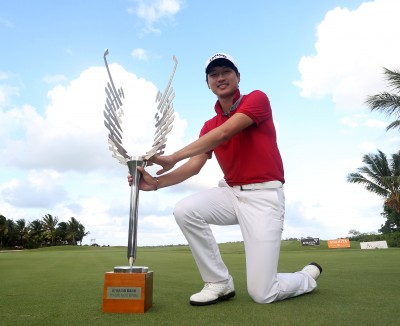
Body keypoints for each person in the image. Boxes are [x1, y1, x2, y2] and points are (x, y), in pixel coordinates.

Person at [129, 53, 322, 305]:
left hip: (264, 197)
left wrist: (173, 156)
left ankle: (306, 276)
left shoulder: (257, 99)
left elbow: (226, 132)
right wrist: (155, 184)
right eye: (213, 74)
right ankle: (219, 282)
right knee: (184, 210)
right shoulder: (208, 126)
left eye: (226, 72)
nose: (220, 78)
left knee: (263, 293)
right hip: (231, 193)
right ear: (208, 83)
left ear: (238, 77)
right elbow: (194, 166)